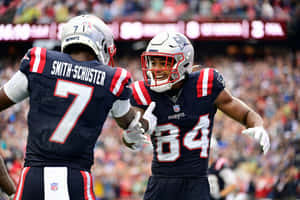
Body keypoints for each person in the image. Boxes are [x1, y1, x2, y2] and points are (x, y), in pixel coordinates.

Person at [0, 14, 156, 200]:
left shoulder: (39, 62)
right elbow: (130, 124)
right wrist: (142, 124)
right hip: (76, 181)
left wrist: (8, 185)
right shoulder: (112, 79)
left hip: (32, 180)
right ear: (100, 44)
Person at [128, 31, 270, 200]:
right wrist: (133, 133)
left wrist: (257, 125)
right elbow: (132, 131)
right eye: (153, 62)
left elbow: (247, 114)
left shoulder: (205, 85)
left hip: (196, 184)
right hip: (161, 184)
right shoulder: (142, 93)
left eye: (163, 63)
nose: (156, 69)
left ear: (183, 62)